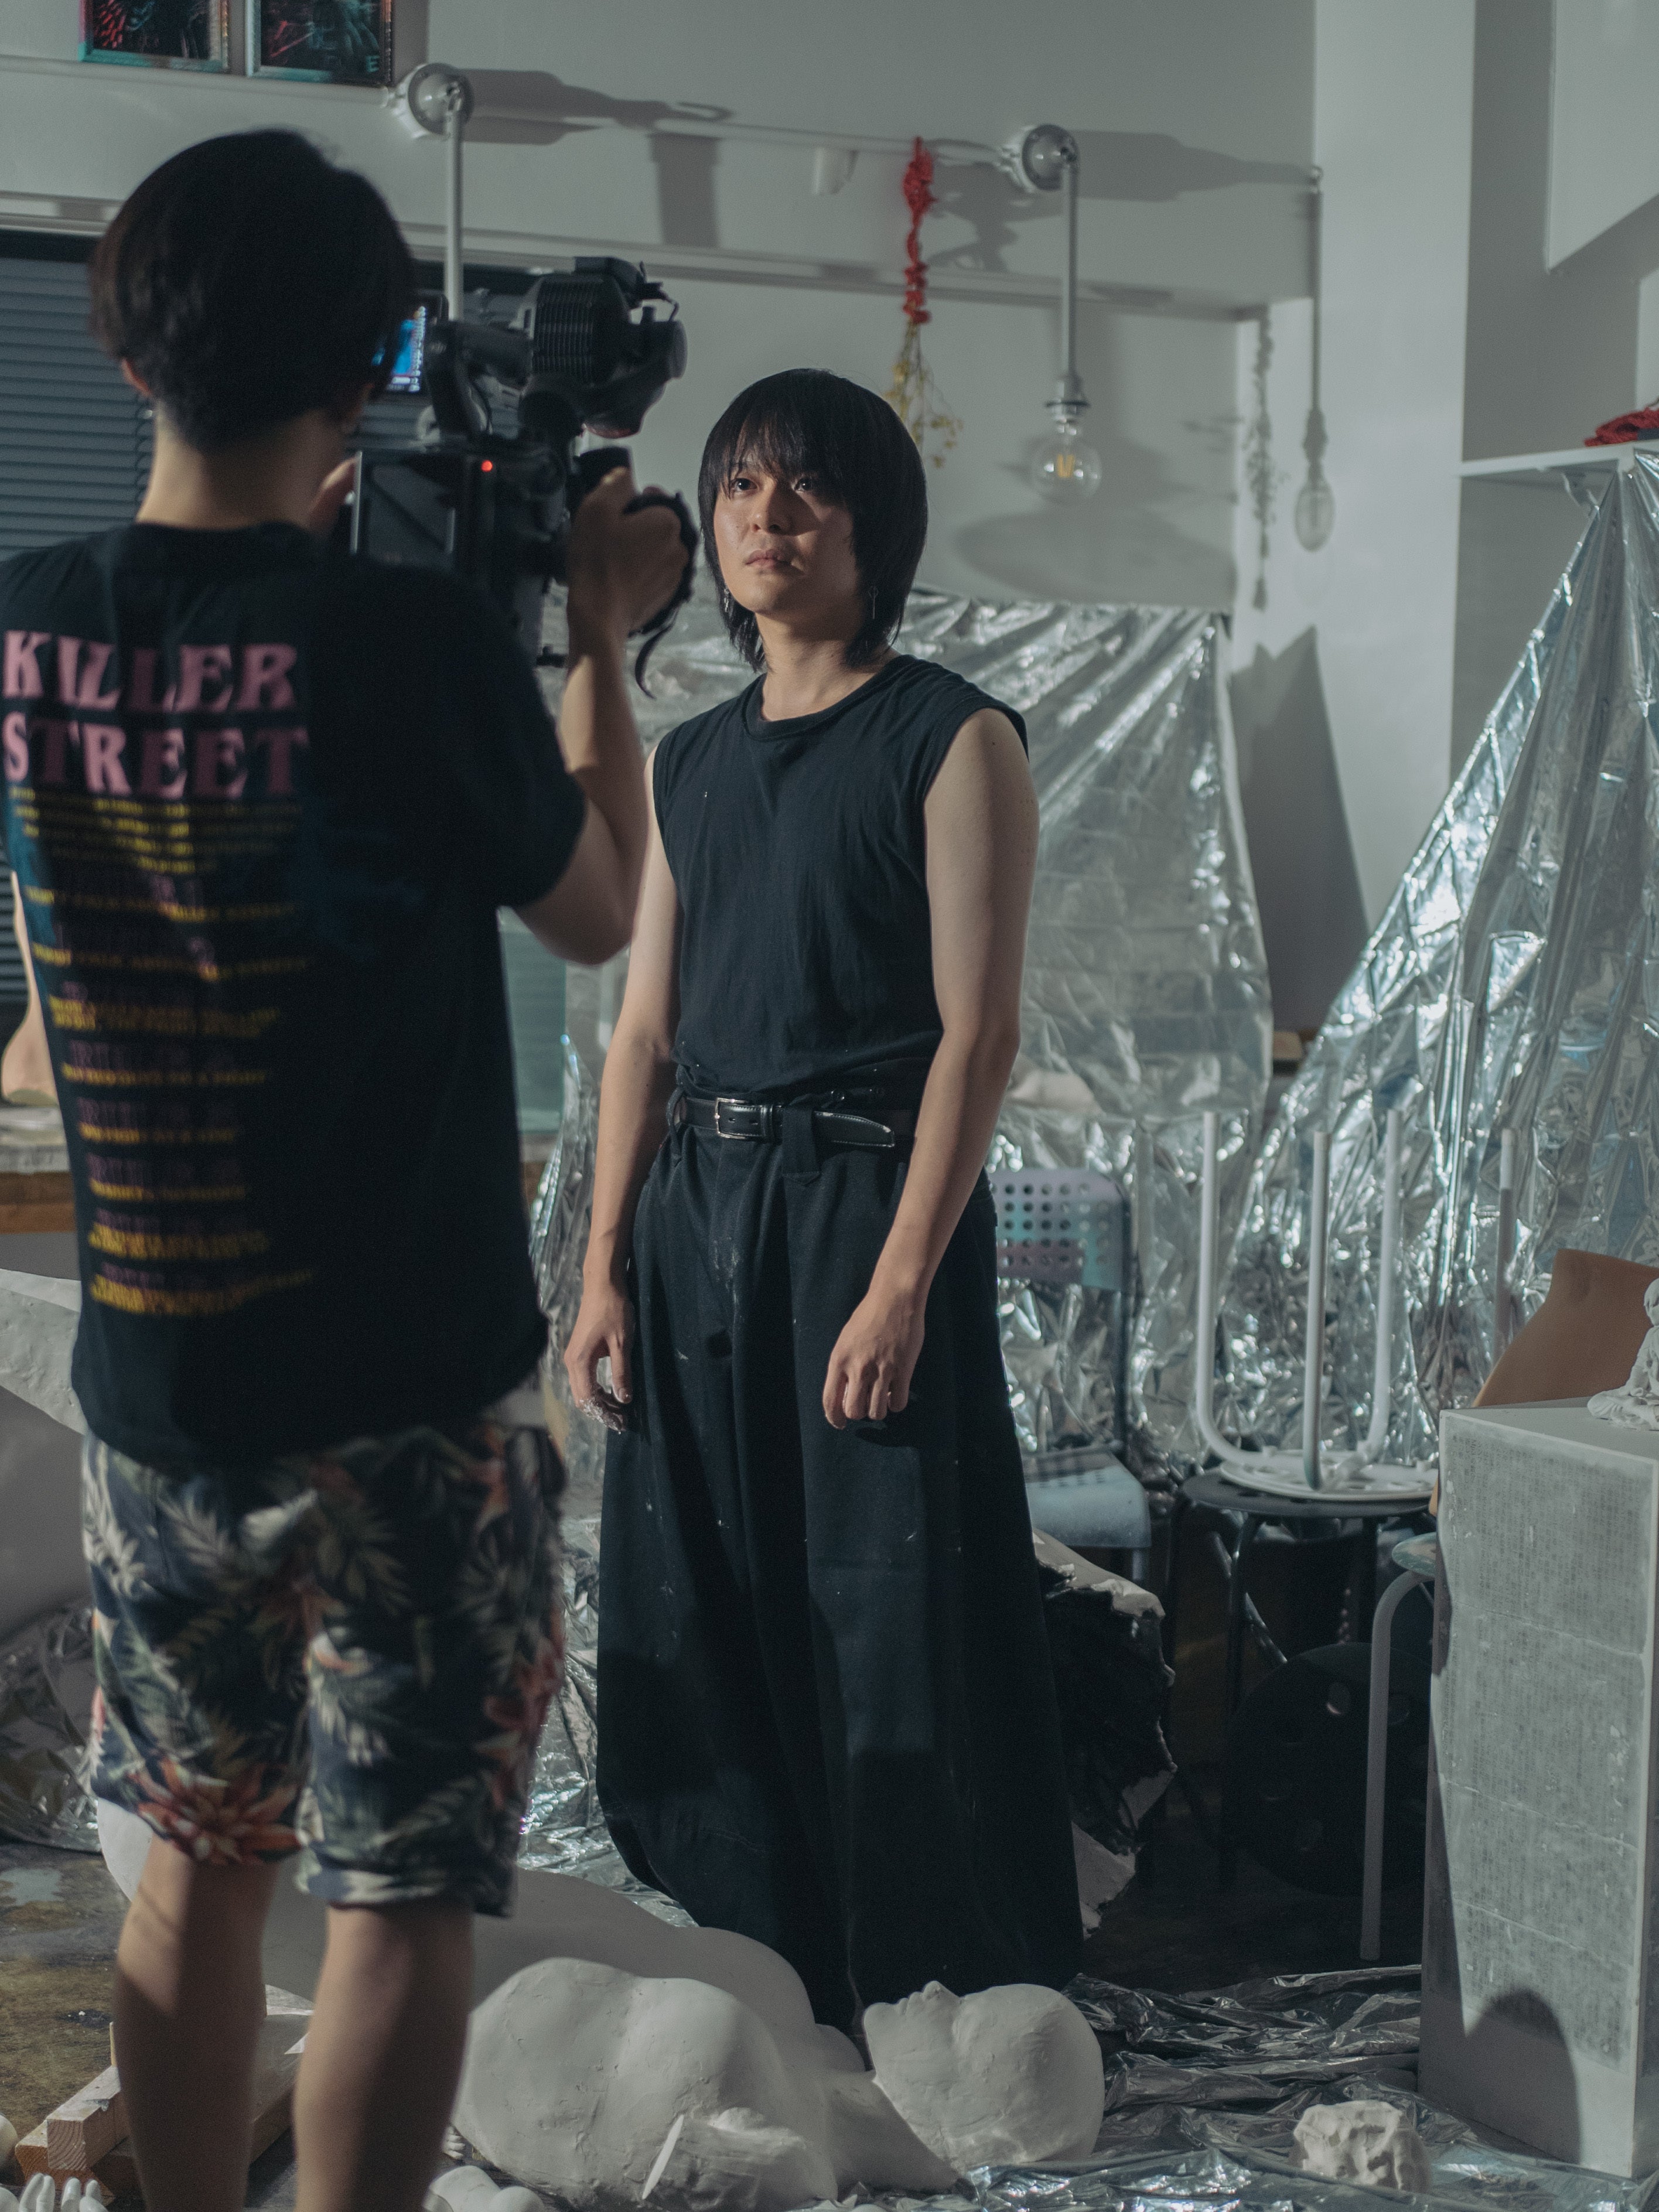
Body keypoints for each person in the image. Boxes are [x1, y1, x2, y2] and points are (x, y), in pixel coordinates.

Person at [0, 131, 686, 2212]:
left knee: (195, 1872)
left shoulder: (27, 631)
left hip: (163, 1395)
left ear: (130, 351)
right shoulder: (406, 644)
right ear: (368, 364)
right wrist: (599, 636)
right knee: (394, 1900)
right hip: (413, 1401)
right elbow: (599, 907)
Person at [564, 367, 1082, 2033]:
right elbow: (644, 1035)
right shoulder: (692, 759)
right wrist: (601, 1271)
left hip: (864, 1206)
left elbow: (979, 1036)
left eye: (805, 489)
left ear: (876, 526)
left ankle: (923, 1981)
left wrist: (904, 1280)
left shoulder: (953, 736)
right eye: (738, 489)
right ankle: (758, 1969)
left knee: (884, 1603)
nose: (766, 520)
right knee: (702, 1594)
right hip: (696, 1213)